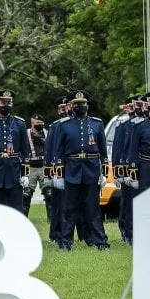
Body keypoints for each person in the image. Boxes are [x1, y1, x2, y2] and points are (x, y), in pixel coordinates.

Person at [50, 90, 110, 251]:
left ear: (87, 105)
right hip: (72, 169)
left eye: (82, 104)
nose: (79, 106)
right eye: (76, 104)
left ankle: (100, 241)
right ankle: (65, 242)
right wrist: (59, 174)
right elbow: (58, 151)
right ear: (71, 106)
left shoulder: (96, 124)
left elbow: (103, 151)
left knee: (93, 208)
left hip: (91, 168)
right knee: (68, 208)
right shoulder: (64, 125)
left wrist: (104, 172)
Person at [43, 95, 72, 243]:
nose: (64, 110)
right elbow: (51, 149)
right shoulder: (56, 126)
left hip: (74, 168)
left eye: (66, 106)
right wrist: (51, 170)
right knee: (59, 205)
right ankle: (56, 233)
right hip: (60, 168)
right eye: (61, 108)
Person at [112, 96, 139, 243]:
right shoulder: (123, 126)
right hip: (127, 170)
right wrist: (118, 173)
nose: (133, 109)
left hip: (143, 169)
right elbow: (118, 150)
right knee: (127, 202)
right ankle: (126, 230)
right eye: (131, 106)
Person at [23, 113, 52, 215]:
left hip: (44, 167)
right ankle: (24, 217)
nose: (39, 125)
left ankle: (51, 220)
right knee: (26, 194)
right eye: (37, 123)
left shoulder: (47, 133)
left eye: (41, 123)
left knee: (49, 193)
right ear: (32, 122)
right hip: (30, 167)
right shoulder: (25, 134)